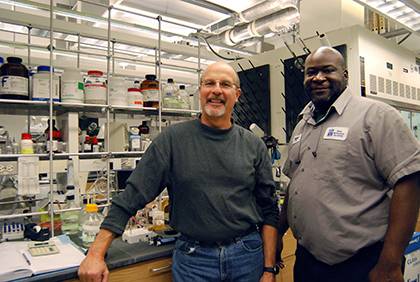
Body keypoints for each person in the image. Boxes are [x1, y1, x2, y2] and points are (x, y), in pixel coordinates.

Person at [78, 62, 280, 282]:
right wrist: (96, 252)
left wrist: (269, 269)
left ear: (237, 94)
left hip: (246, 257)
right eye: (209, 83)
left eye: (225, 84)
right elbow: (132, 195)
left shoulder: (253, 145)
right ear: (200, 91)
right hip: (194, 261)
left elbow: (269, 209)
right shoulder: (172, 140)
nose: (216, 90)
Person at [278, 46, 420, 282]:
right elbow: (295, 185)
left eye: (328, 70)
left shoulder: (376, 116)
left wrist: (390, 262)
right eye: (311, 72)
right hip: (308, 261)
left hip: (362, 262)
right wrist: (279, 233)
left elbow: (409, 180)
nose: (318, 78)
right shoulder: (302, 124)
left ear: (345, 76)